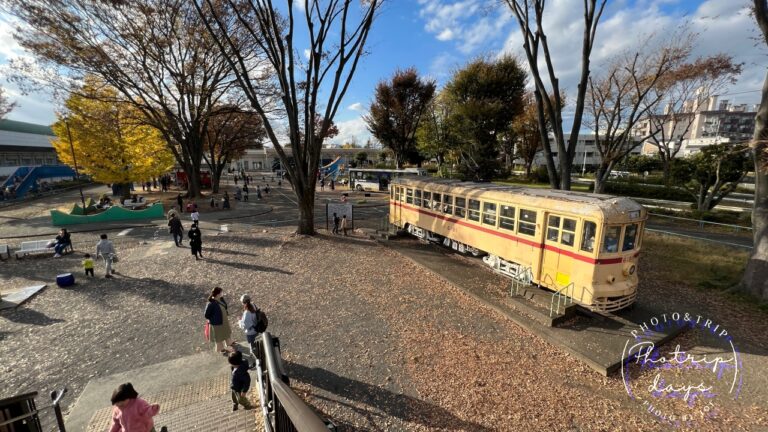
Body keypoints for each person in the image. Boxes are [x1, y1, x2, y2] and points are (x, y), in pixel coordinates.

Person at [204, 287, 234, 354]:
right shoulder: (211, 304)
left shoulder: (221, 299)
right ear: (217, 294)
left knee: (226, 332)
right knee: (219, 337)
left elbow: (224, 306)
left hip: (223, 321)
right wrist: (213, 319)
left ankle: (229, 343)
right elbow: (206, 315)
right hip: (217, 323)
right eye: (221, 292)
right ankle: (221, 349)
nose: (222, 293)